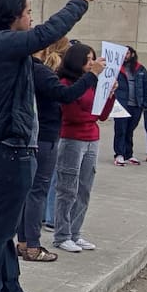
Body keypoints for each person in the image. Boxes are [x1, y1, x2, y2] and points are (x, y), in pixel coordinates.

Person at [0, 0, 105, 292]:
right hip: (6, 146)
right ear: (13, 15)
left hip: (19, 146)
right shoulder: (2, 44)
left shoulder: (15, 55)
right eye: (28, 11)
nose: (32, 18)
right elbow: (50, 31)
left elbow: (58, 91)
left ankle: (9, 287)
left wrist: (90, 78)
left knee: (8, 226)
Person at [17, 38, 102, 261]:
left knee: (39, 191)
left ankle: (26, 242)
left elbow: (97, 112)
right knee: (41, 191)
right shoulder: (45, 75)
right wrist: (93, 76)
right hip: (46, 137)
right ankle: (33, 245)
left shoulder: (30, 71)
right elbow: (67, 100)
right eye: (88, 60)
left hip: (42, 136)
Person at [53, 43, 114, 252]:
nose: (92, 64)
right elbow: (73, 115)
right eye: (88, 60)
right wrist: (93, 116)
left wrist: (110, 95)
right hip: (73, 138)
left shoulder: (92, 83)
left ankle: (75, 232)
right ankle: (62, 234)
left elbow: (103, 114)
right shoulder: (66, 84)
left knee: (84, 188)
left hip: (92, 139)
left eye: (93, 59)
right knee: (67, 188)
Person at [112, 46, 147, 166]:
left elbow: (146, 86)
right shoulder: (116, 69)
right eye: (123, 53)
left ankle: (129, 153)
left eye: (127, 53)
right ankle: (119, 154)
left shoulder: (140, 69)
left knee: (130, 130)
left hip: (136, 105)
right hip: (121, 104)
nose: (125, 56)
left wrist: (145, 103)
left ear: (132, 54)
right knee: (120, 129)